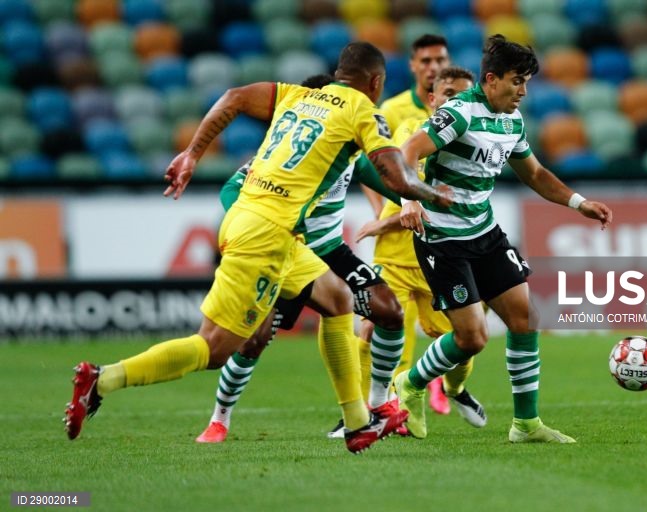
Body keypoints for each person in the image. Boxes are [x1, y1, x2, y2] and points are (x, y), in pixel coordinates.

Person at [64, 42, 452, 454]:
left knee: (338, 299)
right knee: (214, 349)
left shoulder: (297, 95)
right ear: (376, 82)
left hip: (266, 225)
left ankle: (359, 422)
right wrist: (435, 196)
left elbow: (232, 98)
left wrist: (193, 154)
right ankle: (102, 378)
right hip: (266, 234)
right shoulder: (362, 109)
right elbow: (394, 176)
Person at [394, 35, 613, 442]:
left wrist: (578, 202)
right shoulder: (459, 114)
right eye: (517, 82)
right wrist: (410, 201)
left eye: (526, 82)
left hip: (485, 233)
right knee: (472, 339)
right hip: (443, 239)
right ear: (491, 80)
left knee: (525, 318)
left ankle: (526, 425)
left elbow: (535, 174)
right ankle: (409, 383)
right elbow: (406, 152)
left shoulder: (511, 121)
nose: (523, 92)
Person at [196, 126, 409, 443]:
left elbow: (393, 184)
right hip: (286, 252)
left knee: (390, 312)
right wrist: (261, 224)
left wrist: (415, 202)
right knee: (255, 339)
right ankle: (219, 419)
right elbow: (231, 190)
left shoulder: (350, 154)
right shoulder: (283, 155)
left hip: (331, 253)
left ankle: (378, 406)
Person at [355, 67, 486, 431]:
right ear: (432, 99)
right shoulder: (412, 132)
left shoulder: (472, 142)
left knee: (467, 340)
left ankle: (454, 387)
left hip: (440, 257)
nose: (454, 101)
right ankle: (371, 412)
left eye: (463, 96)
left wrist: (383, 221)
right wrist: (388, 212)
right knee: (377, 329)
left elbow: (449, 204)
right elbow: (389, 170)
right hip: (395, 257)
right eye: (447, 94)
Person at [364, 33, 454, 416]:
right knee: (391, 326)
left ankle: (438, 385)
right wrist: (380, 209)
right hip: (401, 227)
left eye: (440, 60)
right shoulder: (395, 110)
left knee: (452, 327)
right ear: (414, 66)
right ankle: (385, 405)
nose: (434, 66)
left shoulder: (458, 109)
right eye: (427, 61)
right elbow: (373, 162)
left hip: (439, 234)